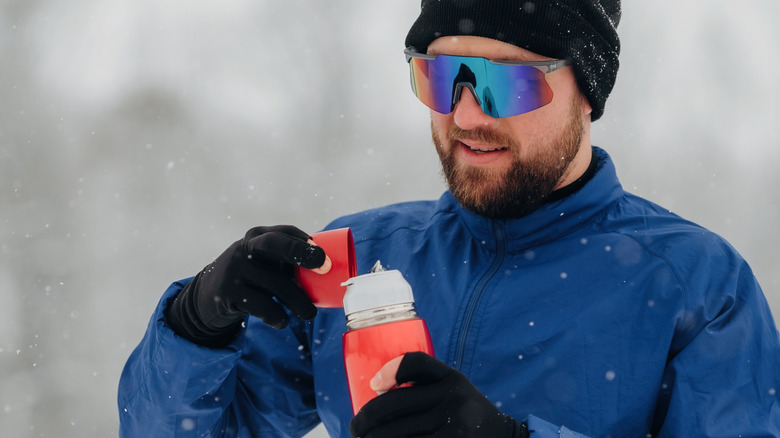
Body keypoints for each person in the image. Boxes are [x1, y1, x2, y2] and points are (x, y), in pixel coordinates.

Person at [118, 1, 780, 437]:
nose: (466, 116)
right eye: (441, 79)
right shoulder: (364, 259)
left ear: (587, 92)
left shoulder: (696, 284)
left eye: (509, 82)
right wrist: (197, 323)